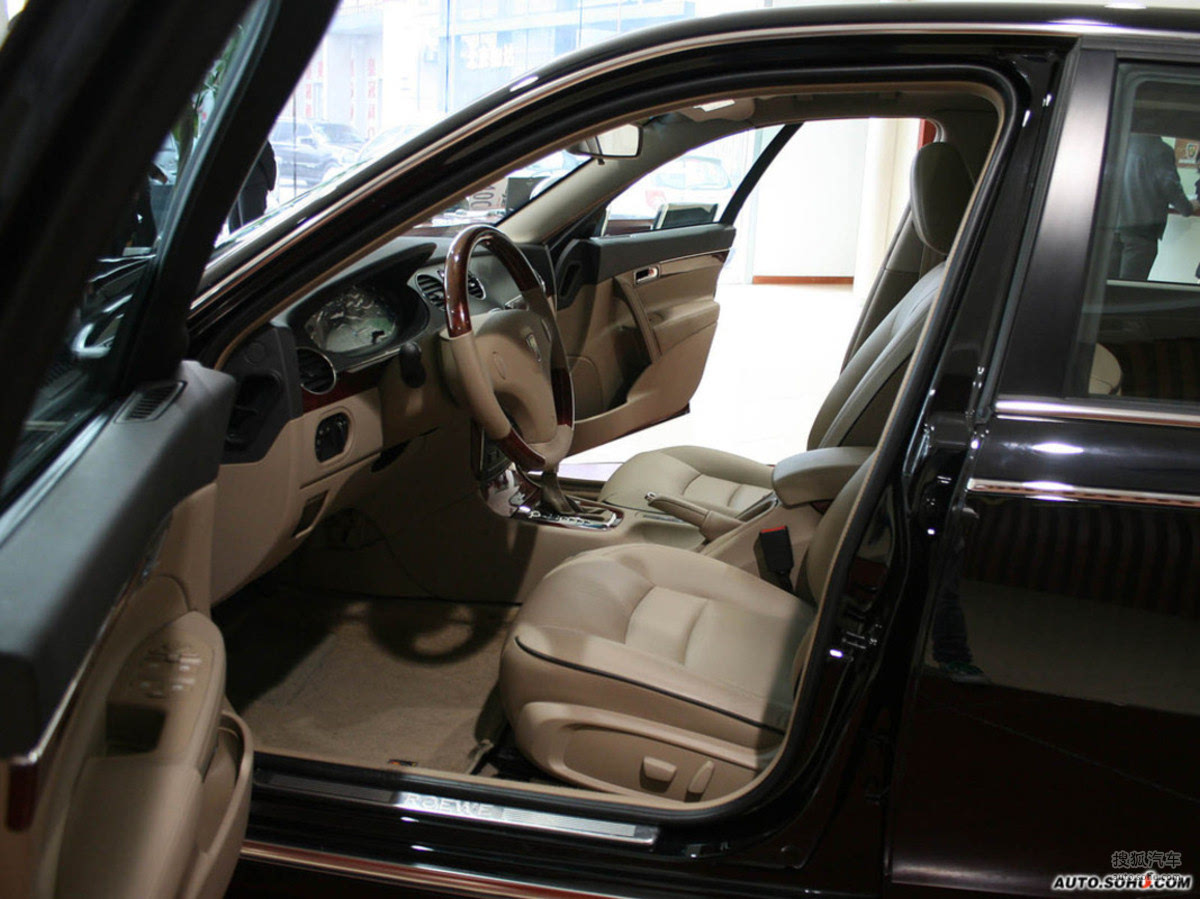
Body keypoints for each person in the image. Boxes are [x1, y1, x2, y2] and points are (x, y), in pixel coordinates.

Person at [1113, 132, 1199, 280]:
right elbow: (1169, 186)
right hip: (1141, 231)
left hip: (1113, 229)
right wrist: (1188, 207)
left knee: (1107, 285)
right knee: (1131, 287)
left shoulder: (1120, 143)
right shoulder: (1159, 150)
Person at [228, 142, 277, 232]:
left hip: (244, 183)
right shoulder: (253, 136)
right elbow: (268, 159)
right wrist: (270, 184)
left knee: (238, 227)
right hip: (253, 184)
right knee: (251, 227)